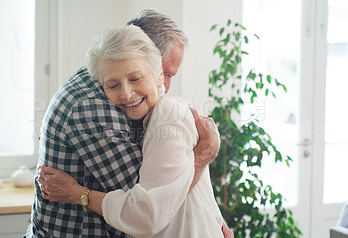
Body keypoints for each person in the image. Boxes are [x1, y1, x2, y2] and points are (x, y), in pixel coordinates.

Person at [25, 9, 231, 238]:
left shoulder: (155, 108)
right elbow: (147, 208)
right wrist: (205, 152)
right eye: (167, 74)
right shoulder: (94, 107)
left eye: (169, 75)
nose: (167, 85)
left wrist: (214, 217)